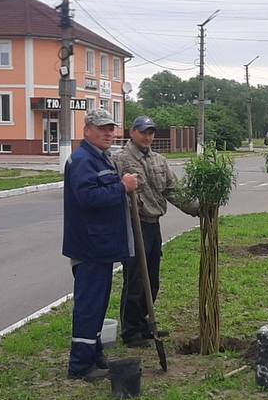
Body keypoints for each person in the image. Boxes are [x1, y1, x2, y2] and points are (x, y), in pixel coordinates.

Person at [62, 108, 138, 381]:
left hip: (101, 246)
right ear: (86, 131)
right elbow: (88, 198)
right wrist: (122, 187)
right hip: (90, 246)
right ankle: (80, 365)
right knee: (89, 306)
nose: (109, 133)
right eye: (102, 128)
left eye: (111, 128)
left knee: (97, 306)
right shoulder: (82, 160)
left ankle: (94, 355)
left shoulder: (100, 158)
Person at [113, 116, 199, 347]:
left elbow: (173, 190)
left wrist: (197, 209)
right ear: (132, 132)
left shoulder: (159, 160)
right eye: (143, 132)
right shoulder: (120, 159)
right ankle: (131, 331)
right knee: (135, 279)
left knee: (152, 279)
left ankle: (145, 324)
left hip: (153, 224)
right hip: (134, 225)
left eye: (151, 132)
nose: (148, 137)